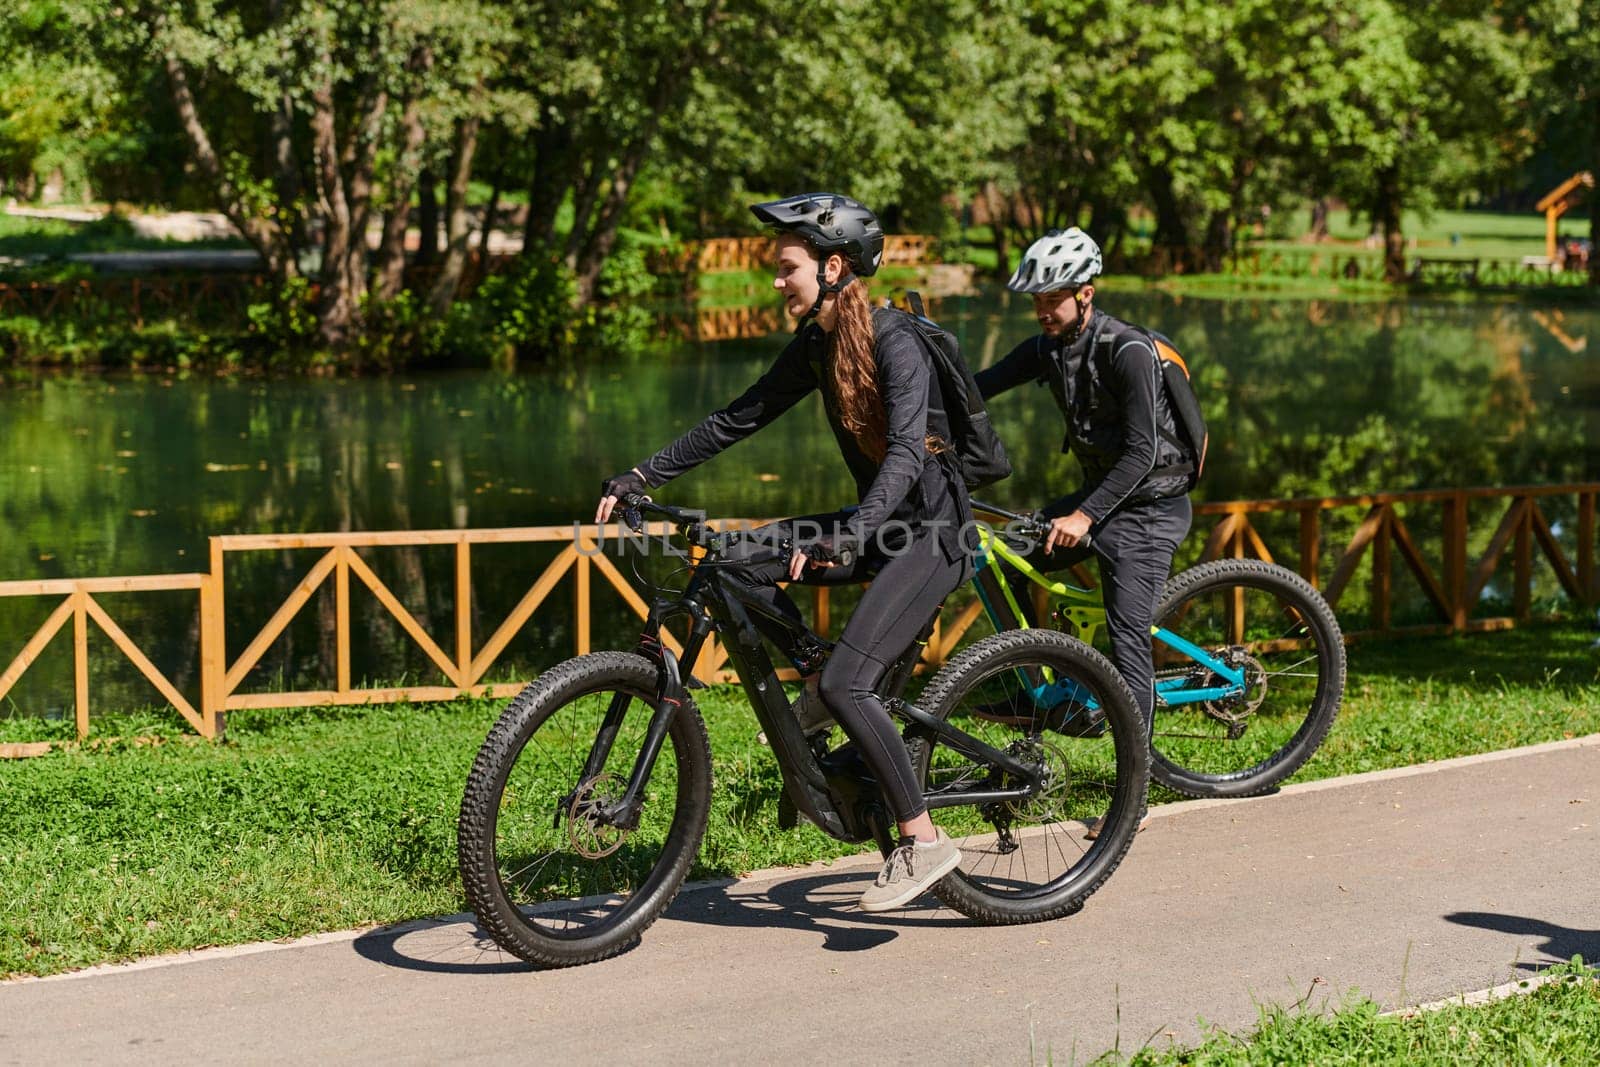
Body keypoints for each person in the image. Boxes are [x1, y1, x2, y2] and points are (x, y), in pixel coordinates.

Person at [595, 193, 972, 912]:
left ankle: (924, 840)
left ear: (833, 267)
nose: (776, 281)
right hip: (874, 522)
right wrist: (643, 473)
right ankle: (821, 663)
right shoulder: (819, 343)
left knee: (847, 690)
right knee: (731, 560)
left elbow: (903, 454)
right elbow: (740, 415)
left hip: (931, 532)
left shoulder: (897, 341)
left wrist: (851, 533)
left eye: (786, 267)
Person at [974, 227, 1194, 748]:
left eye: (1053, 300)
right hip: (1101, 498)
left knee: (1127, 637)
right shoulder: (1048, 348)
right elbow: (978, 387)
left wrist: (1083, 517)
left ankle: (1133, 778)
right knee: (1007, 563)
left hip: (1150, 508)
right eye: (1037, 302)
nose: (1043, 311)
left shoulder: (1129, 351)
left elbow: (1142, 452)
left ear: (1085, 295)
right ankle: (1036, 689)